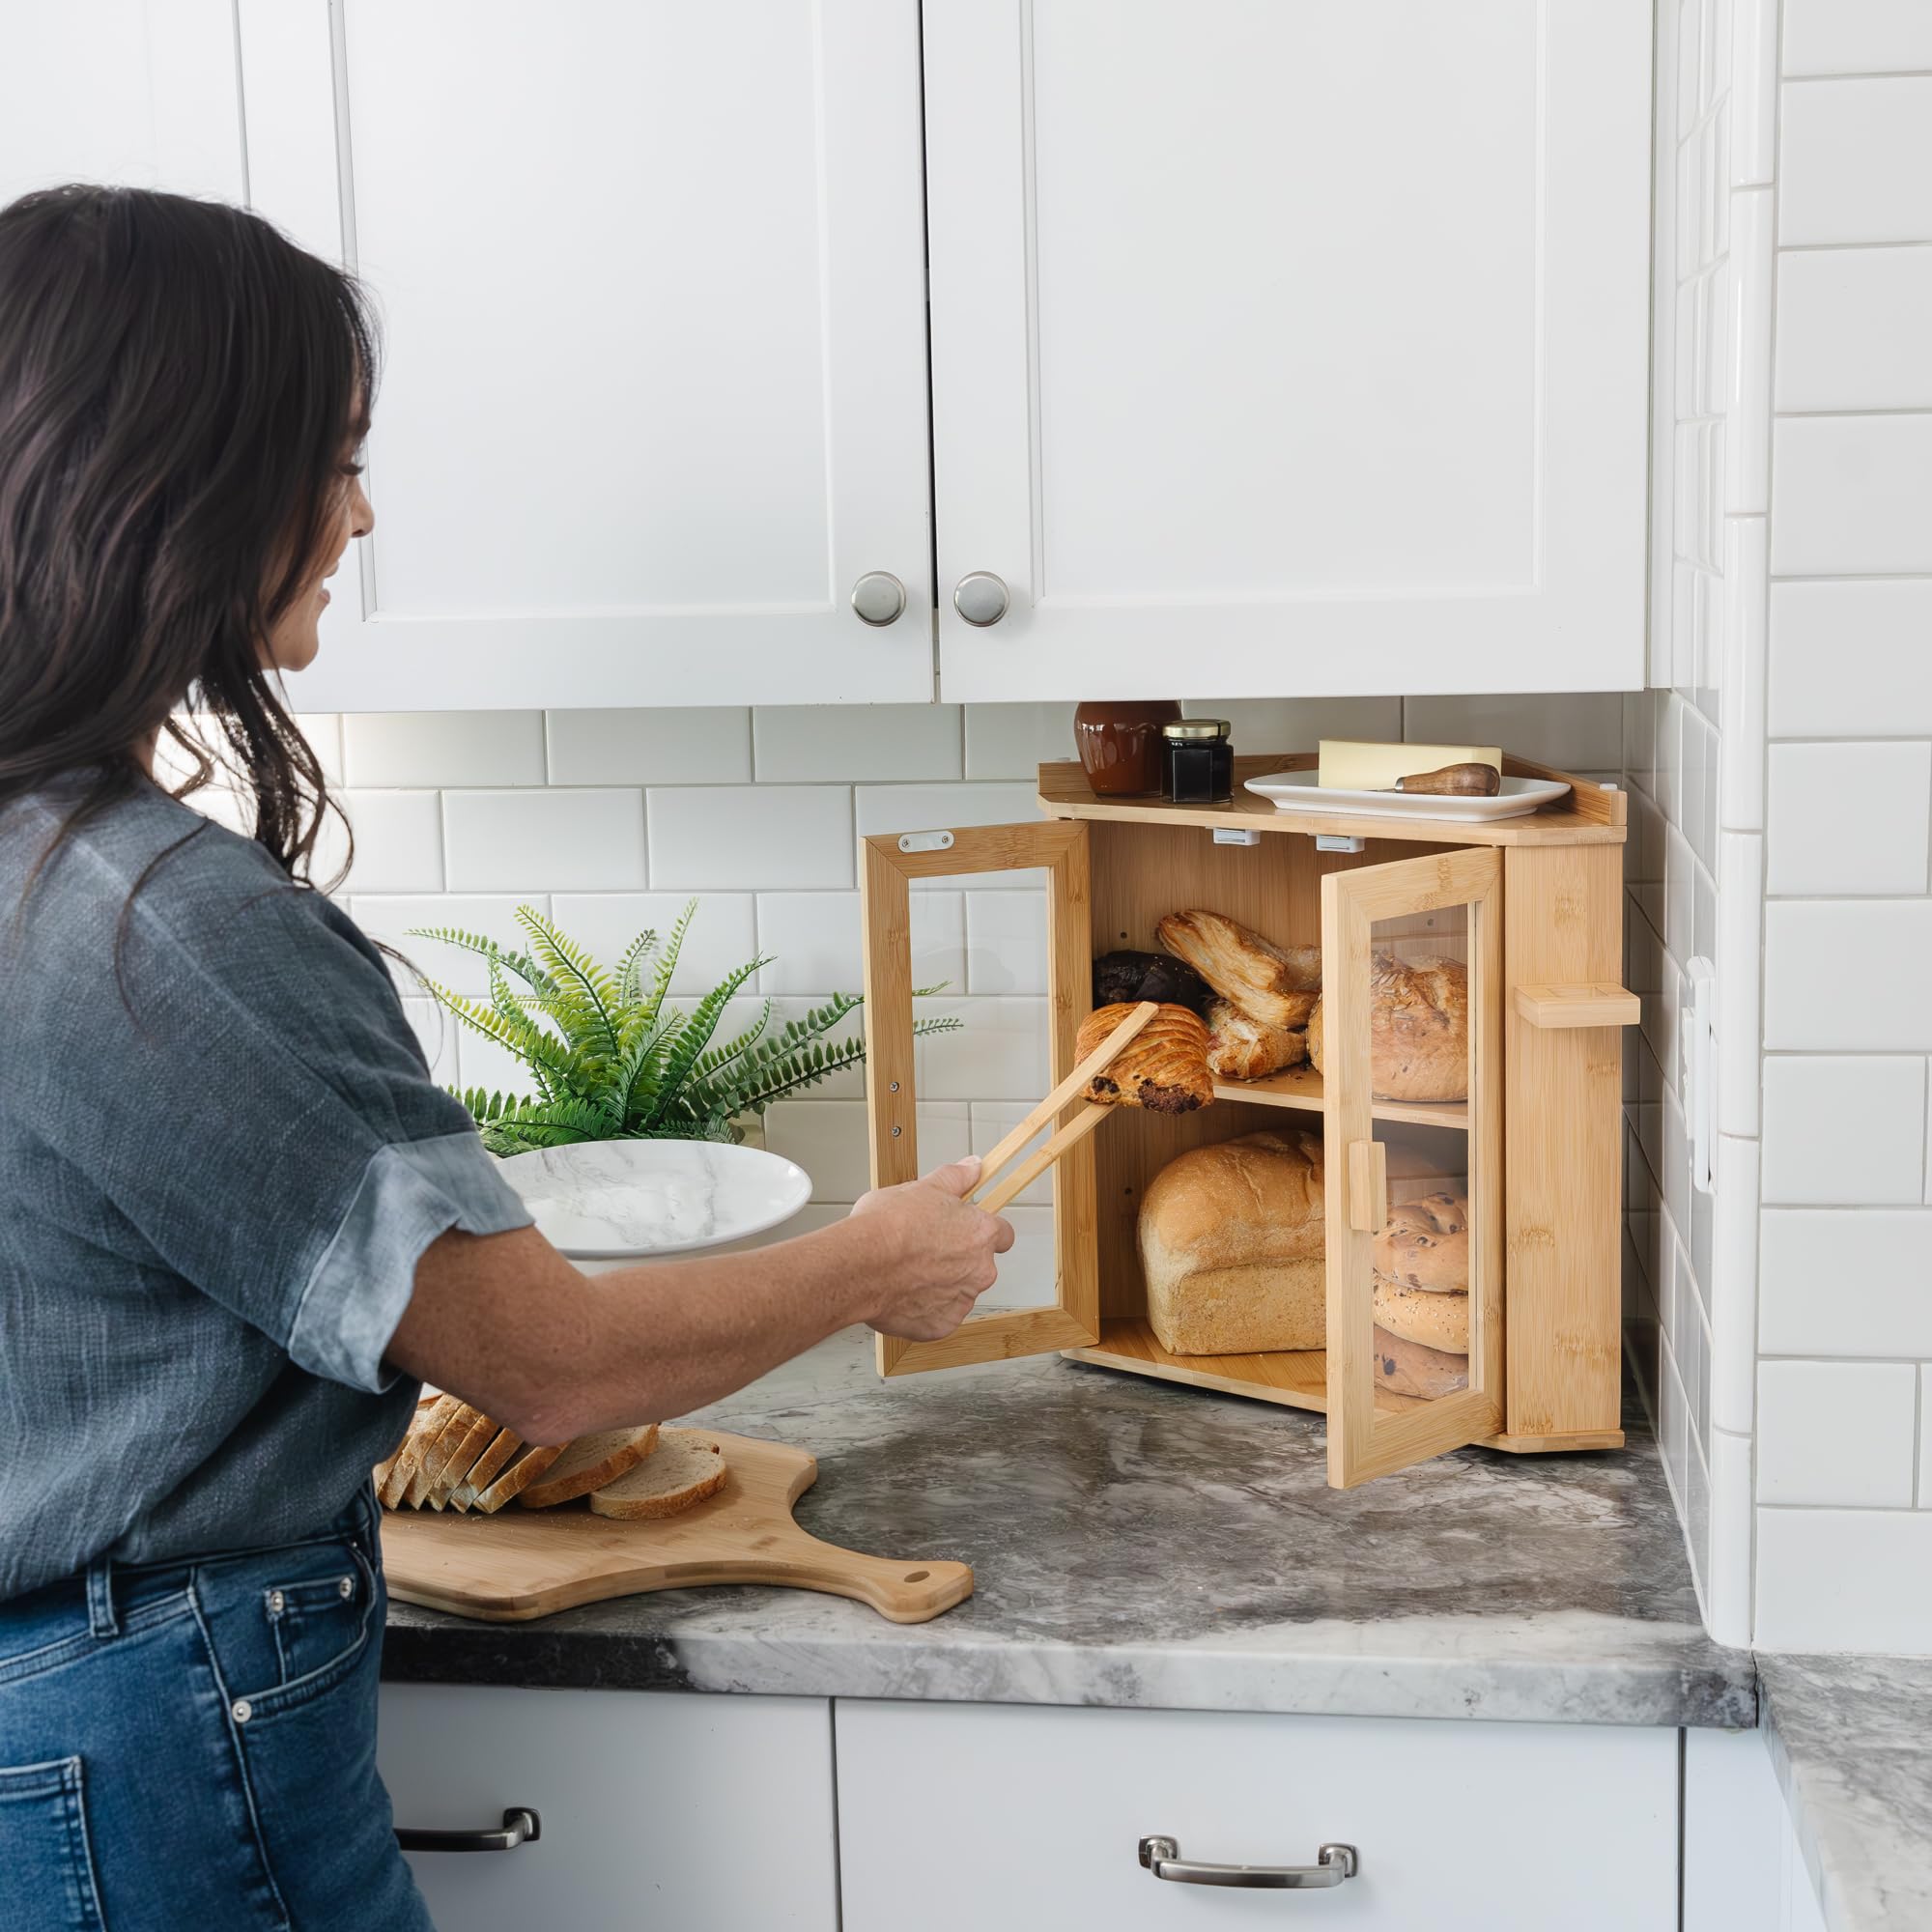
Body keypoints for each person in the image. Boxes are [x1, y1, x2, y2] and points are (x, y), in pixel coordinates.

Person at [0, 184, 1012, 1932]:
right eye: (331, 463)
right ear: (177, 480)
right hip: (156, 1726)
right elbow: (544, 1368)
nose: (361, 516)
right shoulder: (153, 922)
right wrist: (875, 1260)